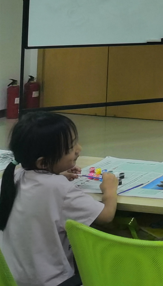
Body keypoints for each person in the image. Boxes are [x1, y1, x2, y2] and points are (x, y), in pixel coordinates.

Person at [0, 112, 117, 286]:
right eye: (70, 148)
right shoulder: (59, 188)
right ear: (43, 163)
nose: (79, 149)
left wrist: (56, 175)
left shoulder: (12, 178)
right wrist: (110, 189)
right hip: (54, 282)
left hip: (13, 280)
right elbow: (106, 216)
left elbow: (41, 190)